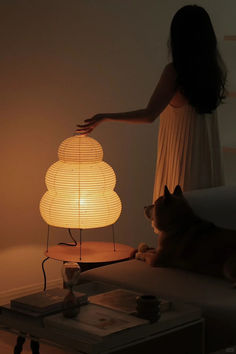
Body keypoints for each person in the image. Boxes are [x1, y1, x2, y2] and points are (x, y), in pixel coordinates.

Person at [77, 5, 226, 202]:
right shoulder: (212, 73)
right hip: (208, 168)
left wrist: (105, 117)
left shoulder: (175, 72)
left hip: (184, 166)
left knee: (177, 224)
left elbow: (149, 115)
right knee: (205, 226)